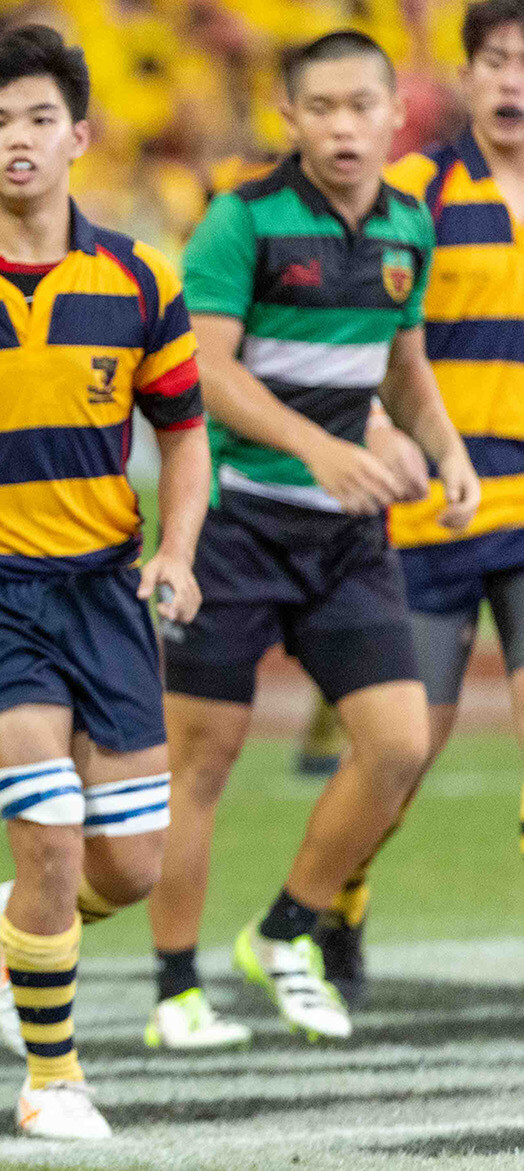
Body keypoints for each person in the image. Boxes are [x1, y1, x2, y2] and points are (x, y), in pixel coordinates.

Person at [0, 26, 211, 1132]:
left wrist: (176, 550)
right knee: (52, 831)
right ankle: (52, 1081)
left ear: (80, 136)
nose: (19, 141)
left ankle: (27, 921)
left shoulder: (138, 279)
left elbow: (186, 431)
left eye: (38, 120)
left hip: (107, 594)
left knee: (130, 869)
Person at [162, 29, 478, 1046]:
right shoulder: (239, 220)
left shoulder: (404, 227)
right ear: (288, 118)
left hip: (346, 539)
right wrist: (316, 449)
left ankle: (287, 926)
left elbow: (402, 361)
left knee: (396, 745)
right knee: (197, 762)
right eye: (322, 108)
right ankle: (174, 989)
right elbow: (206, 372)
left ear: (396, 116)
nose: (343, 126)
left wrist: (446, 446)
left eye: (361, 106)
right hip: (235, 524)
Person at [301, 0, 524, 1008]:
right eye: (497, 63)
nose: (513, 82)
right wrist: (380, 436)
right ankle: (338, 901)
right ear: (466, 77)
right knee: (399, 762)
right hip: (435, 513)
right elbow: (370, 337)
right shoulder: (418, 194)